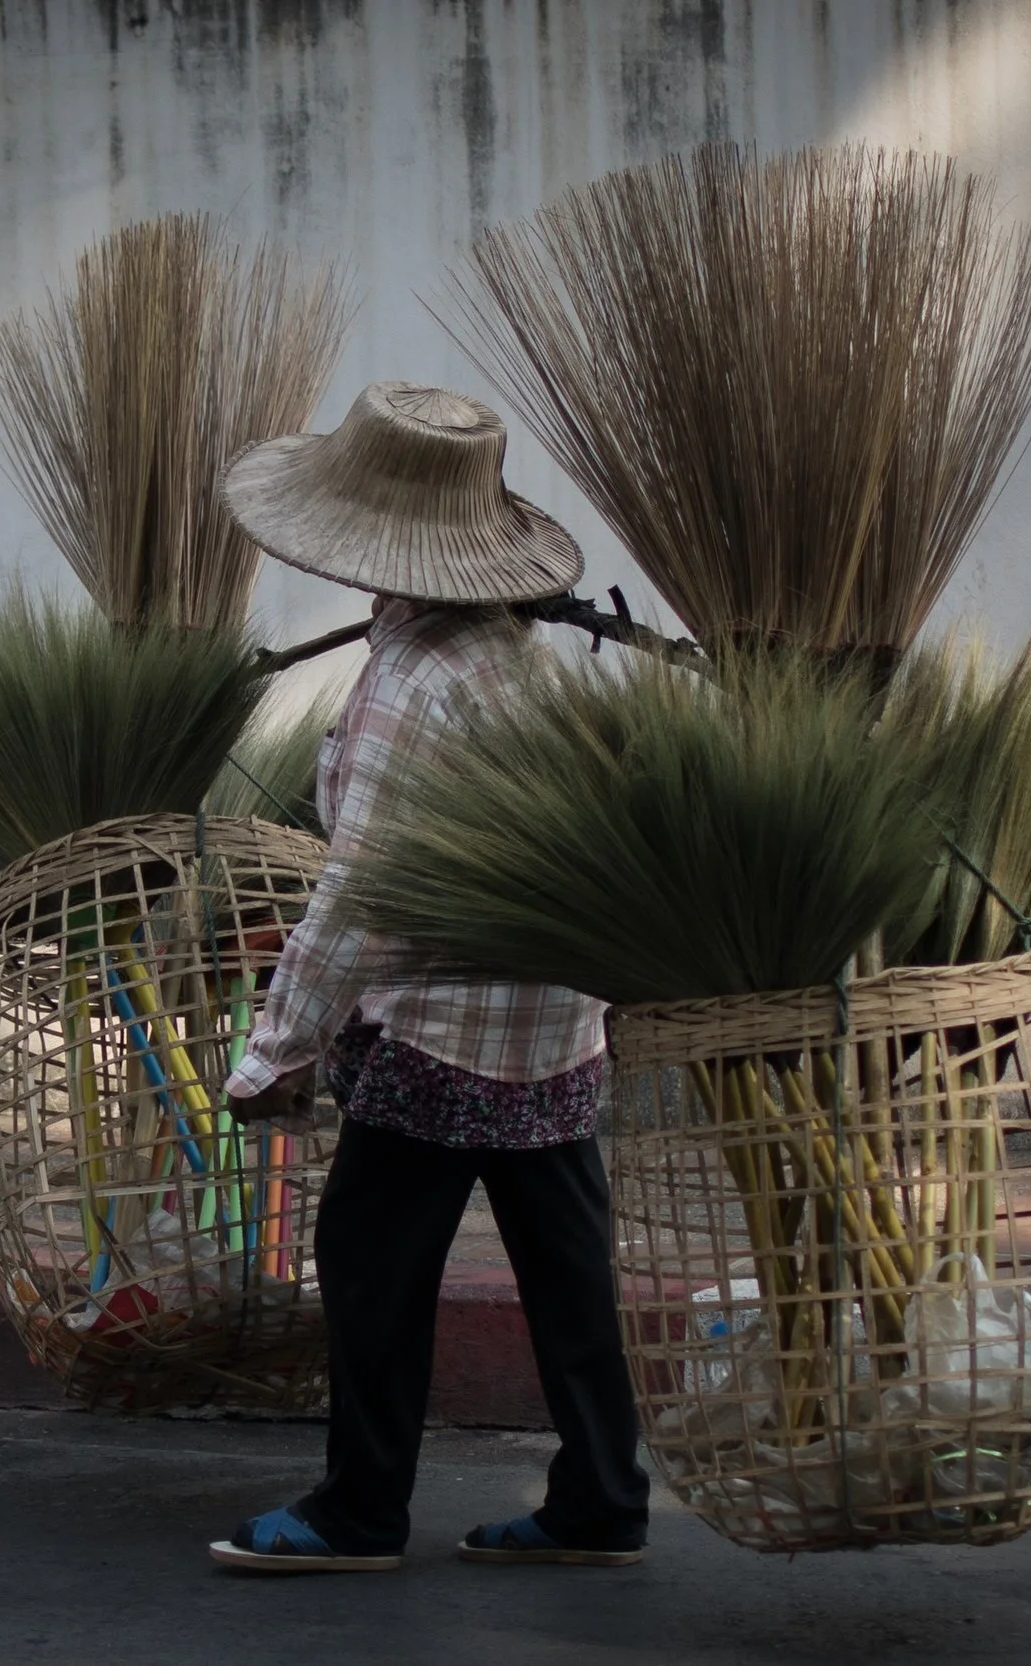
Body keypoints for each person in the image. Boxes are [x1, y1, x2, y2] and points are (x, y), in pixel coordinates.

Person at [205, 382, 650, 1573]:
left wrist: (274, 1048)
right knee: (567, 1273)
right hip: (555, 1025)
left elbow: (358, 896)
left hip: (441, 1034)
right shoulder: (519, 657)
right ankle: (604, 1496)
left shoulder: (418, 682)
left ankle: (358, 1512)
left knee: (366, 1260)